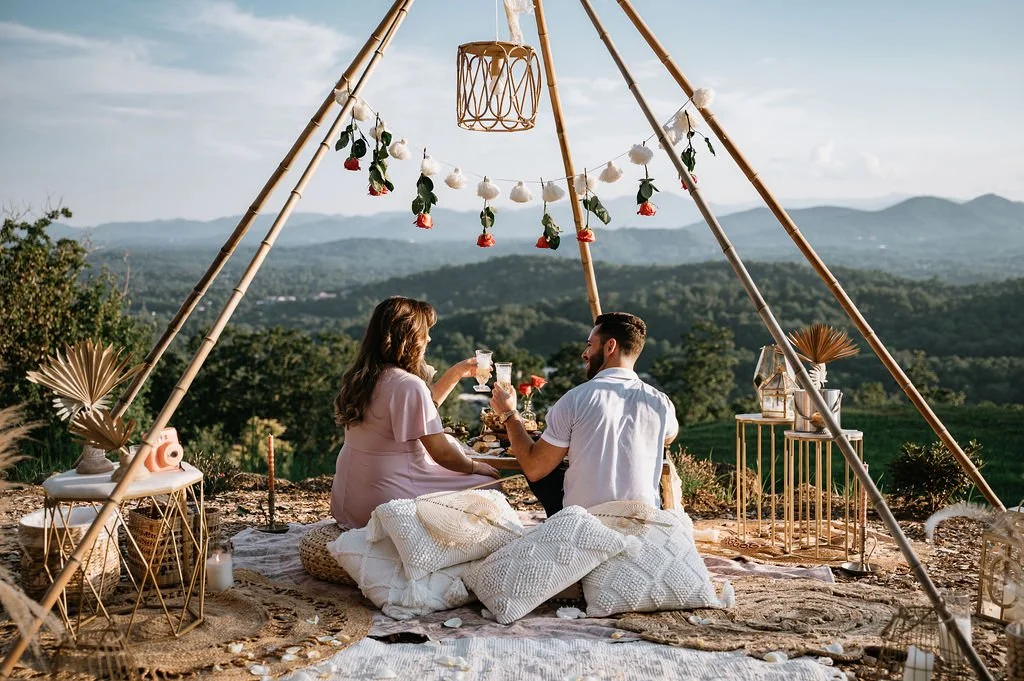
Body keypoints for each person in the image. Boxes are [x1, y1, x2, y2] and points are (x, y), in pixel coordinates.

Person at [330, 296, 500, 528]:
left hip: (349, 500)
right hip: (385, 501)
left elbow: (422, 412)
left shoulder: (364, 377)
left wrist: (456, 372)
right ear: (407, 337)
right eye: (425, 331)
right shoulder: (407, 384)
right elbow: (441, 452)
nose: (429, 338)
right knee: (489, 486)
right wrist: (476, 466)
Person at [489, 312, 677, 516]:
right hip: (643, 521)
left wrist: (509, 413)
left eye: (589, 345)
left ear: (610, 346)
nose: (584, 353)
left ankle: (560, 521)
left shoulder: (575, 399)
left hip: (587, 522)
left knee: (542, 464)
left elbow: (535, 469)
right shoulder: (661, 402)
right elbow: (669, 435)